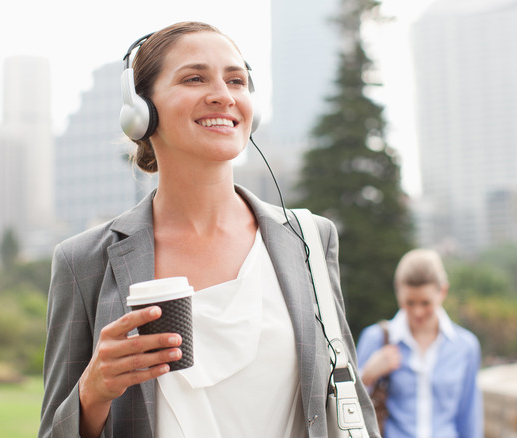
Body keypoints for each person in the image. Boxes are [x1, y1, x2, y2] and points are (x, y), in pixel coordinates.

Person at [38, 21, 379, 438]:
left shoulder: (309, 240)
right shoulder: (83, 261)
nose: (223, 94)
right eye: (195, 78)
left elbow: (352, 405)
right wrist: (92, 393)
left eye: (236, 80)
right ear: (141, 110)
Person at [356, 249, 483, 438]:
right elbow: (346, 409)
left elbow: (469, 417)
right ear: (397, 290)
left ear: (443, 291)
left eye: (425, 303)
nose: (417, 312)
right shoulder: (376, 338)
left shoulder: (466, 346)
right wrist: (366, 376)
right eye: (409, 302)